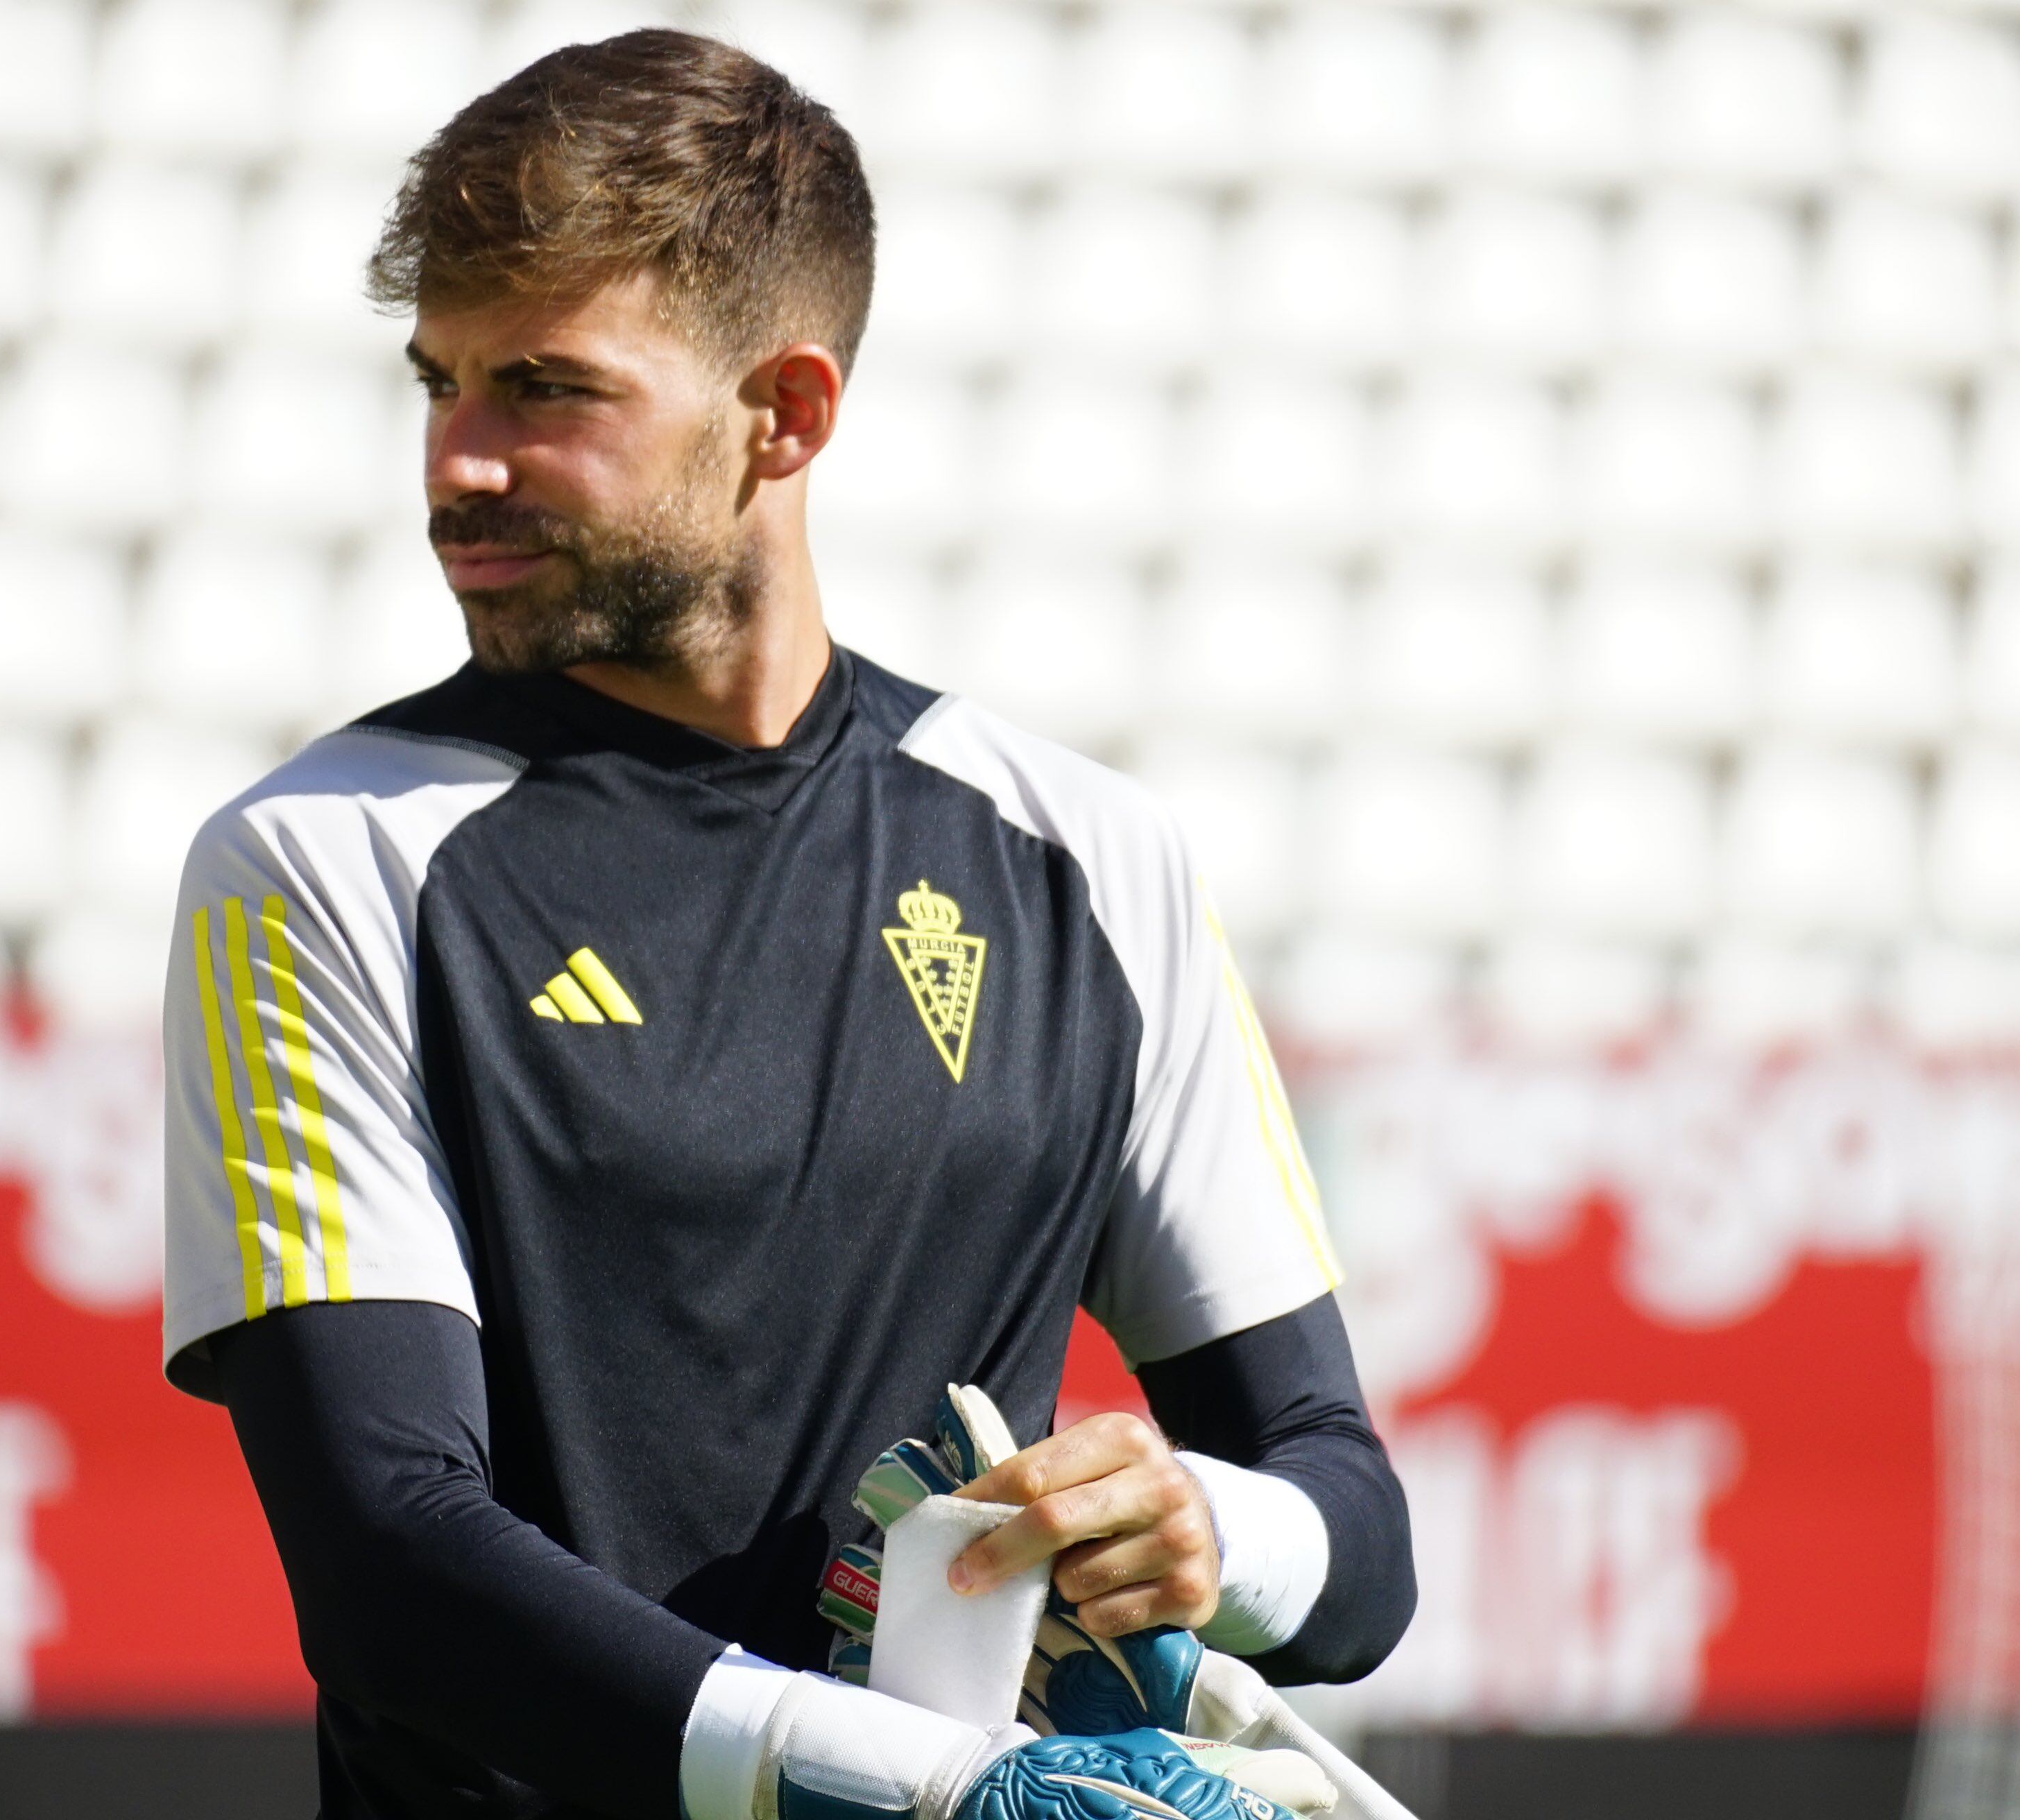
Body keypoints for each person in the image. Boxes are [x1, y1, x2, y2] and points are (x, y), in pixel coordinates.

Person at [159, 29, 1414, 1820]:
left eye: (547, 388)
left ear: (789, 413)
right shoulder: (322, 862)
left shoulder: (1091, 856)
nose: (461, 462)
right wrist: (923, 1792)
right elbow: (390, 1563)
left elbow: (1353, 1525)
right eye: (438, 382)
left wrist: (1202, 1534)